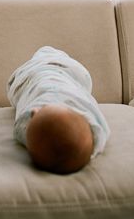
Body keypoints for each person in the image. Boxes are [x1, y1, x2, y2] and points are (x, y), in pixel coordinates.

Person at [7, 46, 110, 174]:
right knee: (48, 60)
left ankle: (47, 57)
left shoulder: (29, 130)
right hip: (72, 74)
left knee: (36, 69)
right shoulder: (94, 124)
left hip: (37, 76)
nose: (34, 111)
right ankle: (50, 57)